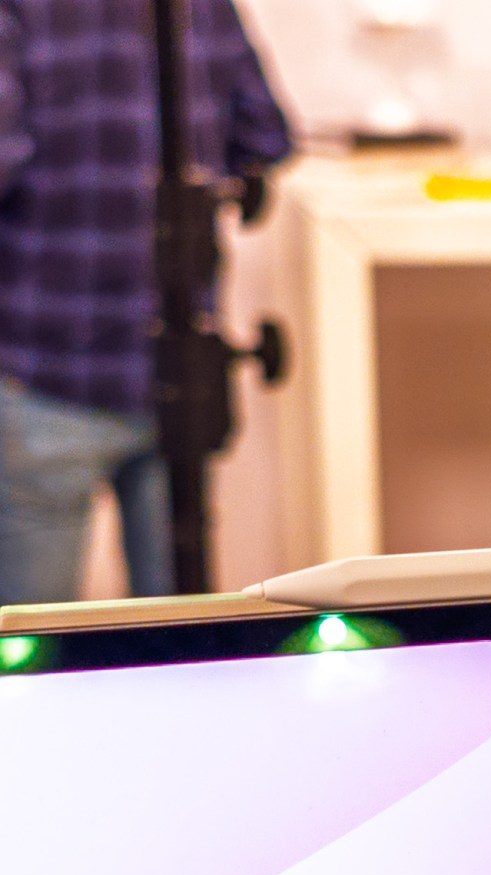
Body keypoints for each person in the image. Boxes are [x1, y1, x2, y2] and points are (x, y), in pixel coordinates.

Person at [0, 0, 291, 605]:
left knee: (32, 637)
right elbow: (262, 136)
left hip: (46, 366)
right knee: (179, 630)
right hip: (177, 373)